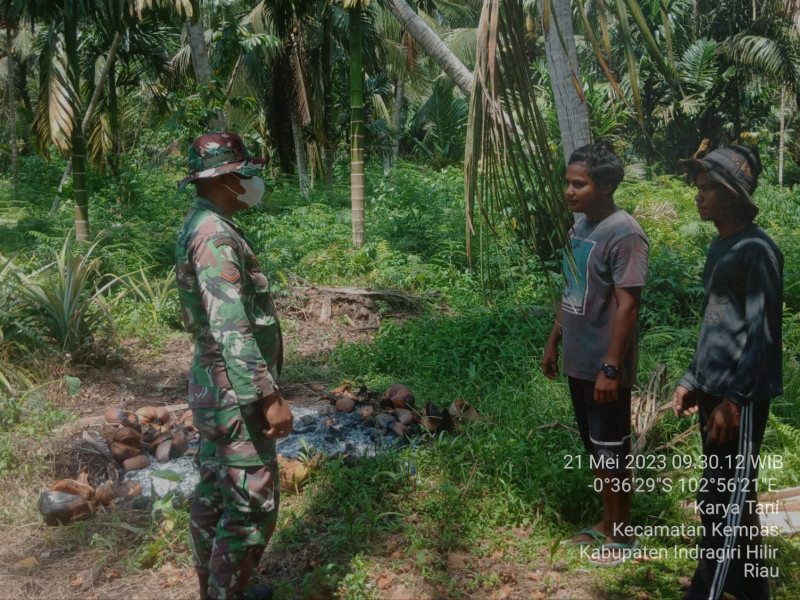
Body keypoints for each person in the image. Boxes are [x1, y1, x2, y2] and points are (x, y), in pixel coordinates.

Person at [175, 132, 294, 600]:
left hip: (214, 388)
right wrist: (270, 397)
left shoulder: (200, 223)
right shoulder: (214, 237)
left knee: (213, 492)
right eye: (246, 173)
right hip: (234, 392)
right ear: (225, 179)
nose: (253, 181)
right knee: (250, 506)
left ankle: (214, 590)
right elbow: (232, 328)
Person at [672, 145, 782, 600]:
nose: (697, 197)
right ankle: (755, 589)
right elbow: (715, 321)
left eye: (706, 190)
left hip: (741, 400)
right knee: (731, 500)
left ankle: (707, 591)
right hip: (715, 394)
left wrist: (736, 400)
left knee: (720, 505)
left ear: (734, 196)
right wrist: (692, 379)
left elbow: (762, 336)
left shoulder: (758, 250)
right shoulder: (722, 244)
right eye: (697, 188)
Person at [542, 140, 649, 566]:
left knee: (611, 450)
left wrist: (611, 366)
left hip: (605, 365)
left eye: (578, 185)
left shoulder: (625, 234)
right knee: (595, 446)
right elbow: (570, 289)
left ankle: (622, 533)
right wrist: (554, 338)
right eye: (568, 183)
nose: (569, 192)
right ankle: (606, 522)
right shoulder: (579, 228)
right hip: (578, 359)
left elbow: (629, 306)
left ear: (604, 187)